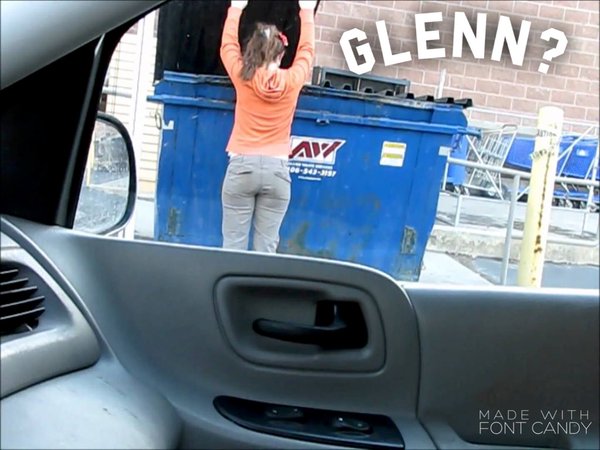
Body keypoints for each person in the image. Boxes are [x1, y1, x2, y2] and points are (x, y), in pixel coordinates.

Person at [220, 0, 316, 253]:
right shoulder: (293, 80)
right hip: (277, 172)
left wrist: (236, 8)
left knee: (232, 246)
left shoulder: (243, 77)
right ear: (281, 54)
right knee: (266, 250)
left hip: (241, 167)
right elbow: (307, 51)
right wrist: (306, 11)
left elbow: (227, 47)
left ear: (252, 51)